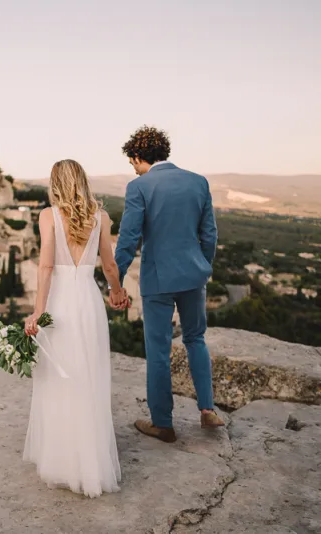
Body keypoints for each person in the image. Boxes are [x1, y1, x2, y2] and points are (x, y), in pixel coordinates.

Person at [115, 125, 225, 444]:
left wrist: (116, 282)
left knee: (159, 350)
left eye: (132, 162)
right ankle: (207, 409)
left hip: (158, 279)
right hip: (194, 276)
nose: (133, 169)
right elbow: (210, 234)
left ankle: (163, 423)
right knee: (195, 338)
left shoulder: (140, 186)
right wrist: (203, 265)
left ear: (138, 157)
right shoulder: (198, 181)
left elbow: (129, 239)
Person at [23, 159, 124, 498]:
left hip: (61, 303)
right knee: (88, 376)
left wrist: (38, 311)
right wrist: (117, 292)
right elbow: (109, 264)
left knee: (59, 376)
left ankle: (62, 460)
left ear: (55, 184)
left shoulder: (49, 216)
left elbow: (47, 265)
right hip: (89, 302)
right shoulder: (102, 217)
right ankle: (90, 462)